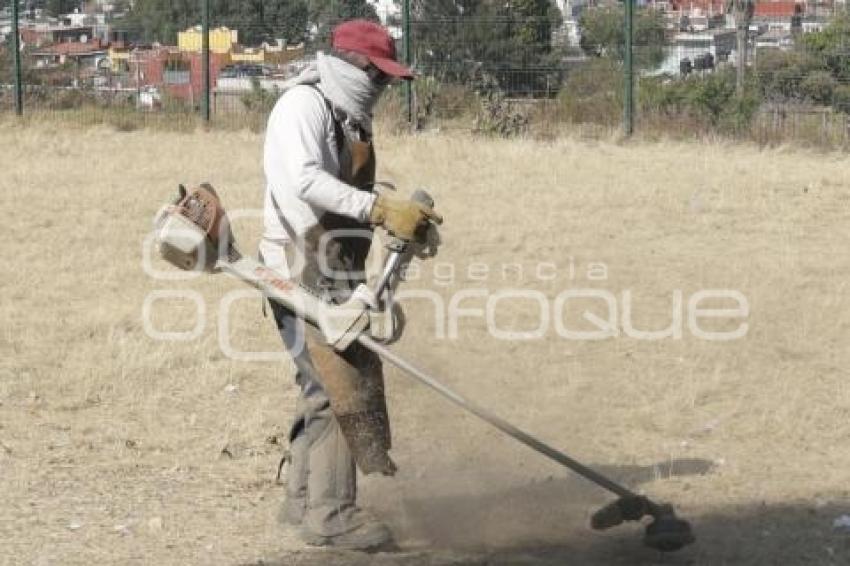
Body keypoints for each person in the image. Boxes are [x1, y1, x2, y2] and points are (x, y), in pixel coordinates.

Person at [258, 20, 440, 551]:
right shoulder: (303, 106)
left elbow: (348, 188)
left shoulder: (347, 115)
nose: (382, 88)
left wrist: (393, 217)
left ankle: (300, 501)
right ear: (355, 66)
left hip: (334, 265)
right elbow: (304, 181)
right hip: (298, 266)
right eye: (379, 77)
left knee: (318, 385)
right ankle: (333, 515)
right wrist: (380, 208)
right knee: (342, 387)